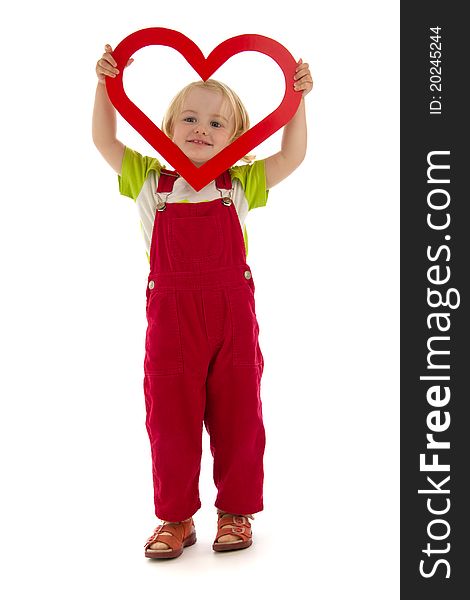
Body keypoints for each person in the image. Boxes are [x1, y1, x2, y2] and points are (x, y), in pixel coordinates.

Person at [92, 42, 313, 559]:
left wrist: (298, 100)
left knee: (239, 413)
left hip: (231, 319)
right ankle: (175, 517)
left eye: (217, 124)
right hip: (171, 321)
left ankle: (236, 511)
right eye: (189, 117)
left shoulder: (240, 180)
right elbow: (104, 139)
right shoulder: (149, 177)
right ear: (165, 128)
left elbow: (293, 155)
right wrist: (106, 85)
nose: (201, 129)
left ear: (238, 139)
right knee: (170, 417)